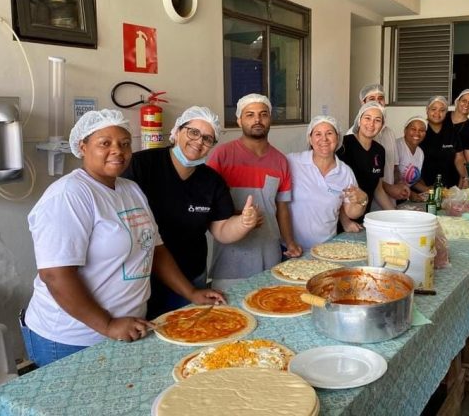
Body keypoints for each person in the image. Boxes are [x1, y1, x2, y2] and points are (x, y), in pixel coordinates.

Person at [21, 110, 225, 367]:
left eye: (125, 143)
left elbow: (155, 249)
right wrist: (107, 324)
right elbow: (56, 274)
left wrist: (191, 292)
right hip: (71, 338)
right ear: (83, 147)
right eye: (105, 143)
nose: (117, 150)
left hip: (125, 327)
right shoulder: (70, 195)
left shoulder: (130, 190)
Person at [123, 106, 260, 319]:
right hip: (142, 279)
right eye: (193, 132)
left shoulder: (212, 181)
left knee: (189, 332)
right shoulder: (141, 165)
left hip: (191, 276)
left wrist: (243, 223)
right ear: (177, 132)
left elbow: (222, 230)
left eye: (207, 138)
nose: (199, 141)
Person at [207, 94, 302, 290]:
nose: (257, 120)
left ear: (270, 119)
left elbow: (282, 208)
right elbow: (208, 204)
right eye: (250, 114)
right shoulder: (222, 155)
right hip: (230, 260)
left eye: (263, 114)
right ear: (239, 120)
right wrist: (239, 218)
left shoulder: (280, 161)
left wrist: (290, 242)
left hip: (269, 255)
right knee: (229, 318)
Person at [287, 115, 368, 250]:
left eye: (329, 133)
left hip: (326, 248)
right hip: (292, 248)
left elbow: (351, 213)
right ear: (310, 139)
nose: (324, 139)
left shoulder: (344, 172)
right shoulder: (292, 162)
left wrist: (362, 200)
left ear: (337, 138)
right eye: (318, 134)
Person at [337, 101, 396, 231]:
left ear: (382, 126)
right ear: (359, 121)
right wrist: (346, 222)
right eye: (367, 118)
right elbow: (336, 189)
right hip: (341, 221)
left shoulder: (379, 151)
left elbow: (378, 189)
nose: (371, 124)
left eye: (377, 120)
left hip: (362, 218)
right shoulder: (344, 145)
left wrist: (396, 215)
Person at [351, 84, 410, 204]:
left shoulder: (389, 133)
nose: (377, 102)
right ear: (363, 103)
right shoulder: (351, 138)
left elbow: (394, 167)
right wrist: (390, 189)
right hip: (363, 204)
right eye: (372, 99)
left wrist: (399, 184)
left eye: (381, 98)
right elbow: (361, 175)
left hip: (388, 201)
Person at [419, 96, 469, 188]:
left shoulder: (452, 132)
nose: (437, 113)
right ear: (427, 110)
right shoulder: (420, 130)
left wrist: (465, 178)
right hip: (425, 188)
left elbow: (459, 158)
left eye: (442, 110)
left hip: (450, 188)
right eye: (433, 109)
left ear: (446, 113)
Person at [395, 115, 429, 202]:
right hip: (392, 197)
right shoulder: (397, 146)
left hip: (404, 197)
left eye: (421, 130)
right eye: (413, 129)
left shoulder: (420, 153)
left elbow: (412, 180)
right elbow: (391, 178)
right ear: (405, 130)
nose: (417, 133)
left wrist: (428, 190)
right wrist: (410, 194)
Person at [444, 89, 469, 163]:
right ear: (457, 101)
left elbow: (468, 160)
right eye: (464, 101)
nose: (466, 105)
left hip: (456, 170)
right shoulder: (443, 116)